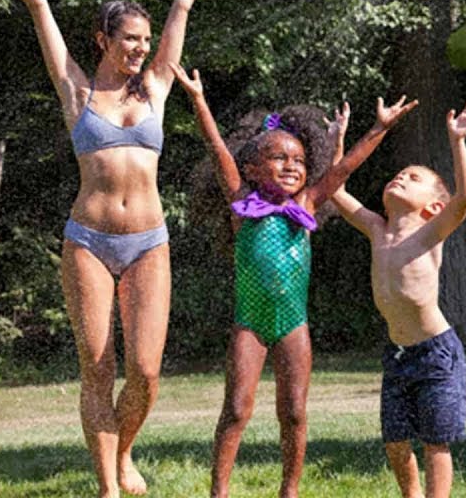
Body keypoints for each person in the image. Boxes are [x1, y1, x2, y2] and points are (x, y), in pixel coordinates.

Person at [0, 0, 240, 497]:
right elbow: (38, 3)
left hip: (149, 239)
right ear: (102, 39)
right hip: (89, 243)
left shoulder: (153, 88)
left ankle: (123, 453)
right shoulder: (76, 92)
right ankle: (107, 488)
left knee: (146, 375)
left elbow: (182, 5)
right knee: (98, 367)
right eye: (129, 38)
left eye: (145, 40)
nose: (141, 48)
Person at [173, 63, 417, 498]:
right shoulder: (241, 205)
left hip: (293, 325)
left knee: (296, 413)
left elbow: (343, 171)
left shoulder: (305, 204)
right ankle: (219, 491)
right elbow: (216, 147)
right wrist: (197, 99)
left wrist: (378, 129)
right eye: (279, 158)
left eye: (300, 161)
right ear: (250, 168)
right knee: (236, 409)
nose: (292, 166)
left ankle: (290, 490)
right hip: (250, 323)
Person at [331, 97, 466, 498]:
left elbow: (465, 198)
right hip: (399, 353)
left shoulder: (429, 233)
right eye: (399, 174)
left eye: (413, 177)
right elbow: (335, 190)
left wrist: (458, 141)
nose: (401, 177)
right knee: (396, 441)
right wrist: (339, 141)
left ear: (434, 207)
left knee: (436, 440)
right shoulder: (377, 229)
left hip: (436, 351)